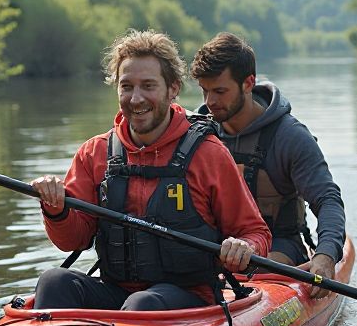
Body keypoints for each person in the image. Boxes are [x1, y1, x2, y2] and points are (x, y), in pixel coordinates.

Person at [29, 29, 271, 311]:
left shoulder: (209, 154)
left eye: (148, 86)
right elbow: (74, 240)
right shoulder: (94, 153)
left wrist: (244, 248)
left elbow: (256, 233)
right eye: (127, 86)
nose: (136, 98)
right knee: (53, 281)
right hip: (116, 292)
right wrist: (56, 210)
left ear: (173, 89)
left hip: (187, 300)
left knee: (142, 302)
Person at [190, 32, 346, 294]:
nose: (210, 102)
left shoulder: (291, 137)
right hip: (214, 250)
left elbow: (327, 199)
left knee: (257, 267)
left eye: (220, 91)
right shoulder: (195, 135)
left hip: (278, 249)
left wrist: (326, 255)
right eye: (205, 91)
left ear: (248, 83)